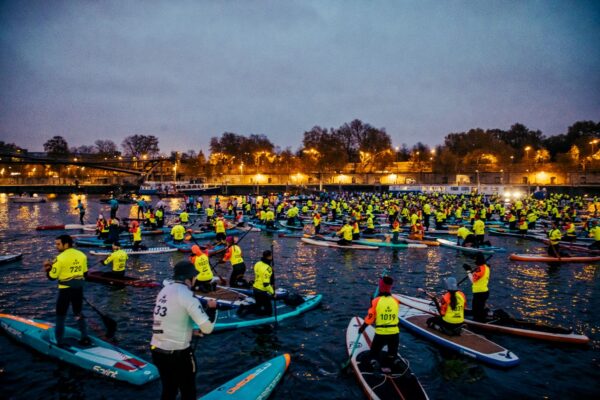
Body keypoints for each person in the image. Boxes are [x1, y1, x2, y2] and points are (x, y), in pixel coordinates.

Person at [150, 261, 218, 400]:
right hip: (178, 355)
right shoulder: (187, 294)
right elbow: (207, 329)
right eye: (194, 277)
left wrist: (190, 331)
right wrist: (212, 308)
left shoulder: (164, 290)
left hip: (157, 350)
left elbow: (166, 319)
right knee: (188, 391)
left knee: (169, 389)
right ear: (188, 279)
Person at [42, 234, 91, 347]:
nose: (56, 246)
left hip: (65, 292)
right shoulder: (82, 255)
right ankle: (85, 337)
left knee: (60, 315)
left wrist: (47, 268)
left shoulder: (59, 258)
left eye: (58, 244)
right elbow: (85, 274)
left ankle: (59, 341)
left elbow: (52, 277)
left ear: (66, 244)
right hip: (78, 290)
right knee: (78, 313)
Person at [358, 276, 401, 373]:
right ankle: (392, 364)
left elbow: (370, 318)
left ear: (380, 287)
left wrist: (362, 328)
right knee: (391, 354)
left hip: (381, 334)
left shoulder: (376, 301)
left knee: (373, 354)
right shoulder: (396, 301)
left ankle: (374, 363)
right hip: (395, 334)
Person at [463, 253, 490, 322]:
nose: (474, 261)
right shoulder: (486, 267)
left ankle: (478, 323)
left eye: (475, 259)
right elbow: (479, 277)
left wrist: (468, 270)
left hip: (479, 293)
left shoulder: (480, 269)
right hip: (484, 291)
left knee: (476, 311)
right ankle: (481, 318)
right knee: (479, 309)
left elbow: (473, 280)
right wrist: (472, 270)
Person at [252, 250, 274, 316]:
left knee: (259, 304)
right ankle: (261, 317)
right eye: (271, 255)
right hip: (262, 290)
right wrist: (273, 293)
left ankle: (257, 312)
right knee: (269, 311)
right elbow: (266, 284)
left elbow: (259, 274)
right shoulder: (268, 269)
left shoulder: (257, 263)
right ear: (269, 256)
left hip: (255, 288)